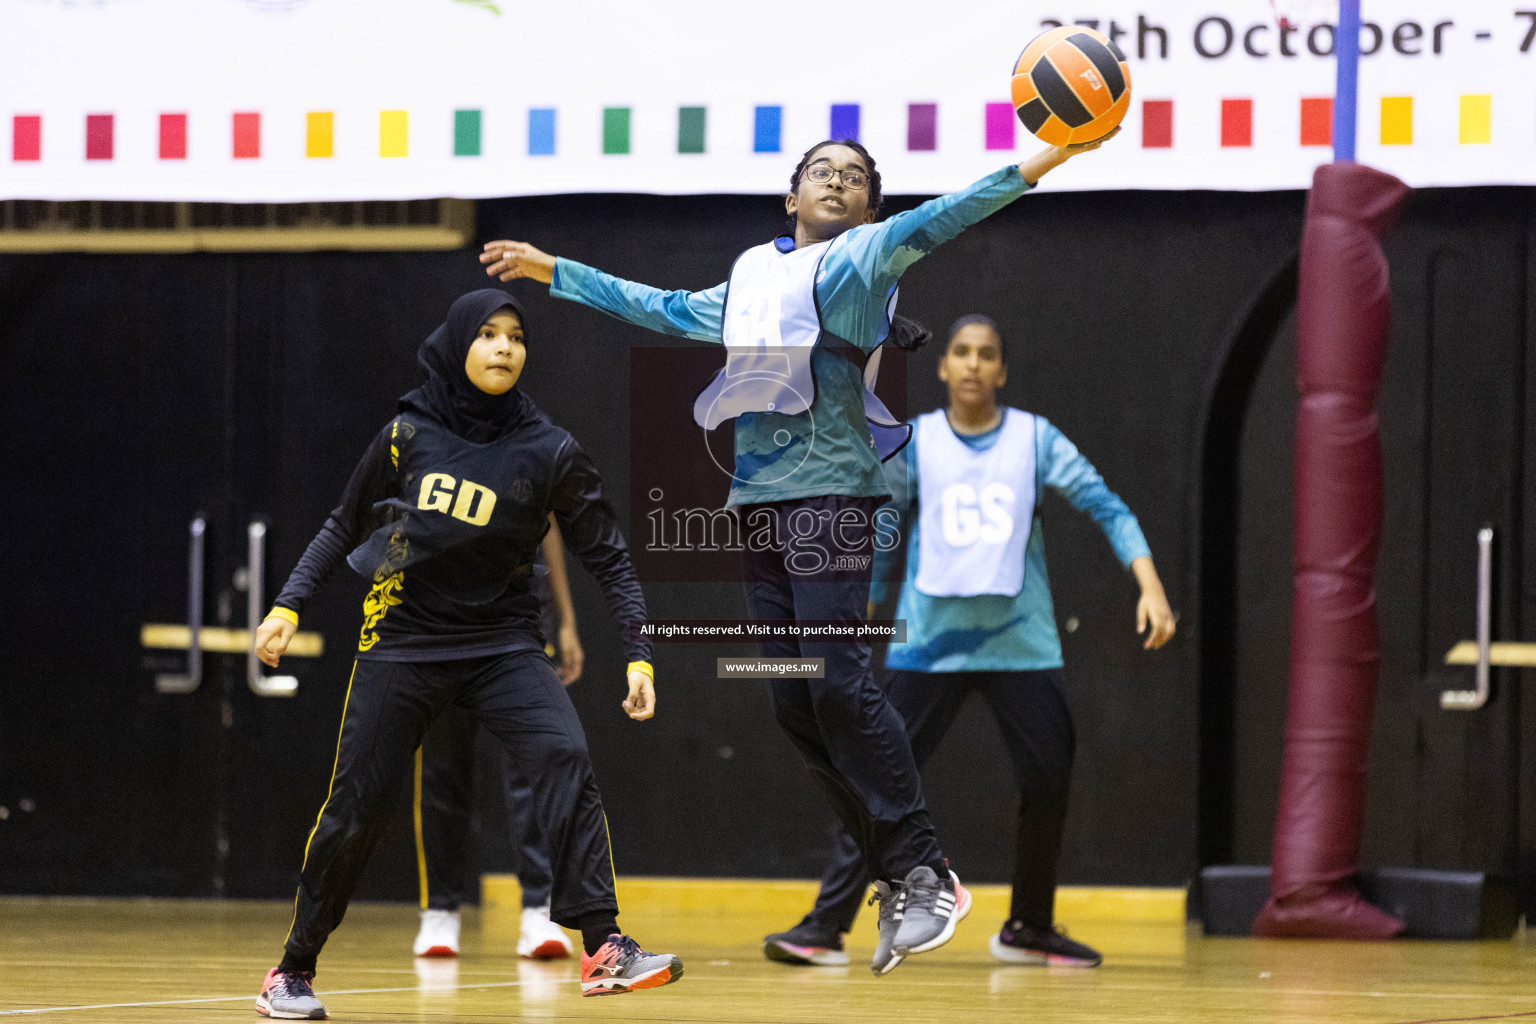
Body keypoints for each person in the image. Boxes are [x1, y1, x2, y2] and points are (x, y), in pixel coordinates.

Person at [480, 133, 1116, 975]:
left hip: (835, 498)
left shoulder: (863, 260)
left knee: (841, 677)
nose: (840, 182)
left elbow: (952, 211)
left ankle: (927, 868)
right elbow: (661, 308)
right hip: (758, 505)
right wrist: (554, 269)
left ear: (869, 208)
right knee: (793, 703)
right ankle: (898, 872)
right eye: (825, 171)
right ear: (791, 197)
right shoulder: (749, 278)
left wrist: (1042, 163)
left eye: (857, 178)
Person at [252, 290, 680, 1019]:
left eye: (516, 336)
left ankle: (603, 945)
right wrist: (289, 603)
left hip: (504, 641)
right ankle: (292, 971)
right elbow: (342, 526)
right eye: (487, 334)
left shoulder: (549, 449)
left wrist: (638, 652)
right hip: (405, 640)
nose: (504, 348)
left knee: (564, 756)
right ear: (458, 345)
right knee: (356, 811)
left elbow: (609, 558)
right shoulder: (405, 435)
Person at [762, 315, 1175, 969]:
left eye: (987, 354)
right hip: (928, 644)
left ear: (1001, 372)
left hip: (1021, 645)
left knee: (1048, 779)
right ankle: (825, 926)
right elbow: (884, 521)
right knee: (879, 778)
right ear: (943, 367)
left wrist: (1149, 585)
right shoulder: (918, 441)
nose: (974, 364)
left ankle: (1029, 927)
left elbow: (1106, 504)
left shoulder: (1035, 440)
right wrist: (863, 609)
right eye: (962, 352)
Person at [411, 518, 582, 962]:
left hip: (518, 622)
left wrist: (565, 618)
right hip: (442, 625)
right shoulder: (427, 450)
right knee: (442, 768)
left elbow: (547, 525)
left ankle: (539, 910)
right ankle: (440, 911)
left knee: (534, 766)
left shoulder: (531, 450)